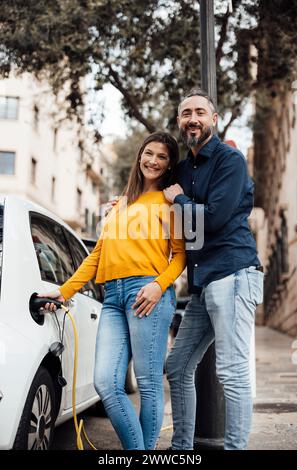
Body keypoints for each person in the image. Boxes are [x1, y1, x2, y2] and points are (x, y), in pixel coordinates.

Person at [38, 132, 186, 450]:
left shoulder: (169, 202)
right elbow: (96, 257)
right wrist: (64, 291)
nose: (154, 161)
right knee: (106, 382)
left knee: (147, 384)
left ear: (169, 164)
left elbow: (181, 257)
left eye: (162, 157)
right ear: (139, 156)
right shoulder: (120, 204)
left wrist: (159, 286)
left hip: (147, 292)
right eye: (149, 153)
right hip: (113, 297)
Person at [162, 89, 264, 450]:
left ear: (213, 119)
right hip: (204, 282)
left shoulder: (229, 160)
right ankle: (181, 451)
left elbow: (213, 220)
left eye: (200, 112)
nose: (193, 119)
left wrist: (179, 201)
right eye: (186, 112)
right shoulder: (182, 168)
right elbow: (156, 202)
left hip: (234, 273)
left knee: (232, 373)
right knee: (177, 366)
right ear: (179, 120)